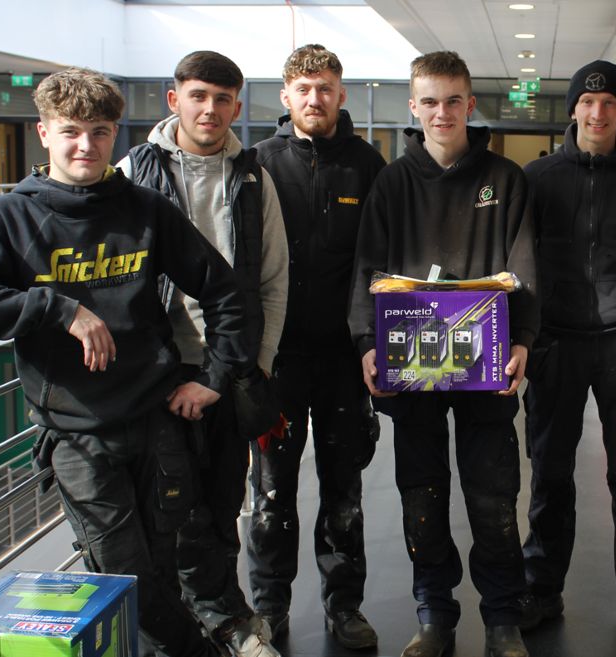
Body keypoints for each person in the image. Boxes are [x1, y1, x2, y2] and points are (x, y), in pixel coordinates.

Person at [0, 67, 250, 657]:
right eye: (71, 131)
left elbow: (225, 291)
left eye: (101, 132)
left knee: (159, 567)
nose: (86, 146)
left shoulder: (145, 208)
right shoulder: (11, 216)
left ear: (114, 135)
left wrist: (215, 376)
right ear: (44, 133)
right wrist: (57, 307)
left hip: (157, 422)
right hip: (78, 435)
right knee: (125, 576)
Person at [347, 51, 538, 657]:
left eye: (453, 100)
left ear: (470, 104)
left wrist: (523, 342)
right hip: (414, 366)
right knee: (421, 495)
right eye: (429, 101)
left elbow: (528, 269)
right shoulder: (391, 182)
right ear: (413, 107)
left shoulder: (505, 180)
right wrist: (365, 343)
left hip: (485, 368)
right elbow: (367, 270)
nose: (441, 112)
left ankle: (503, 619)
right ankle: (436, 616)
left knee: (494, 498)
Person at [116, 51, 287, 657]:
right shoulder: (133, 172)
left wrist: (256, 363)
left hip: (229, 368)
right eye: (198, 96)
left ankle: (227, 621)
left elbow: (272, 277)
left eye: (222, 98)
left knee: (220, 501)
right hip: (159, 374)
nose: (209, 109)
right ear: (174, 100)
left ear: (237, 105)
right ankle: (179, 632)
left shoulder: (251, 177)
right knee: (166, 508)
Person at [517, 60, 616, 644]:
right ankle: (542, 588)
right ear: (575, 108)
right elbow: (519, 261)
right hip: (556, 342)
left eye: (609, 104)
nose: (598, 113)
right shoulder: (539, 177)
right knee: (551, 473)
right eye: (588, 102)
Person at [248, 43, 387, 650]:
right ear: (285, 96)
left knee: (344, 489)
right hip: (277, 360)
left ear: (341, 94)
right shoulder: (257, 164)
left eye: (325, 88)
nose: (314, 99)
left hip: (342, 359)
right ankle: (269, 607)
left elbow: (381, 263)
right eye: (303, 89)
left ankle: (344, 605)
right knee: (272, 491)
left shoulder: (368, 165)